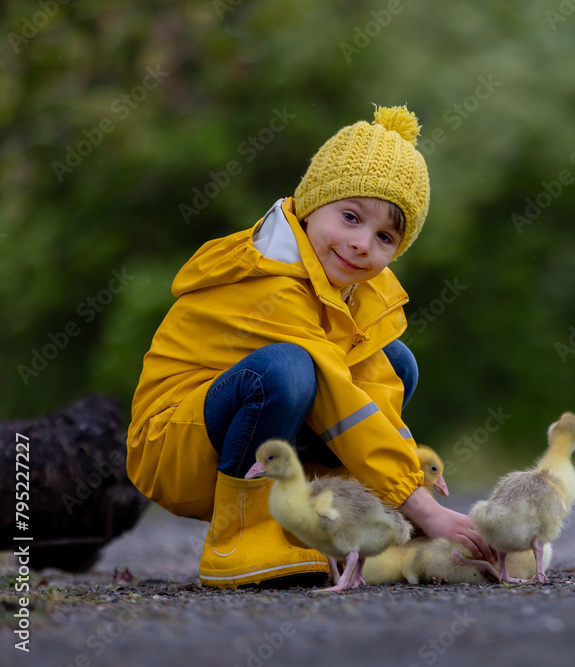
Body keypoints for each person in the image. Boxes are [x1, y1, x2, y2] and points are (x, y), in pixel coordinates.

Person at [126, 105, 492, 588]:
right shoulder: (271, 277)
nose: (363, 244)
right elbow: (337, 397)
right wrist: (423, 507)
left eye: (385, 236)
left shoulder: (359, 293)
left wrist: (411, 501)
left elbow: (372, 405)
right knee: (289, 369)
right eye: (350, 216)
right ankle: (240, 537)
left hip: (267, 442)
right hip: (178, 442)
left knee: (394, 363)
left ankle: (330, 519)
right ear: (311, 202)